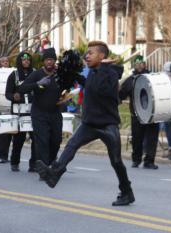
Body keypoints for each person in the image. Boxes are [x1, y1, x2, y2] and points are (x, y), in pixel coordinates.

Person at [35, 41, 135, 206]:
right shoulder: (95, 72)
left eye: (91, 53)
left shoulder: (110, 73)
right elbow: (89, 85)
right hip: (90, 123)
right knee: (72, 144)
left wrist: (102, 68)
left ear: (102, 56)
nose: (86, 56)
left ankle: (127, 192)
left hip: (107, 125)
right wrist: (71, 73)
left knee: (116, 161)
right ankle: (55, 174)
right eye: (86, 53)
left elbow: (100, 89)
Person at [18, 48, 74, 171]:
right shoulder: (37, 74)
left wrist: (66, 96)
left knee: (56, 140)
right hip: (39, 113)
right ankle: (44, 168)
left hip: (55, 112)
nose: (50, 62)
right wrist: (37, 84)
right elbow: (21, 89)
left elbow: (66, 88)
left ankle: (50, 161)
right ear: (43, 61)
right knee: (42, 141)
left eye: (52, 60)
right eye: (47, 60)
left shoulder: (59, 73)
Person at [119, 56, 160, 169]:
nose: (139, 65)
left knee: (152, 138)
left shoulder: (152, 78)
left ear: (145, 64)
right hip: (136, 114)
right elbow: (121, 95)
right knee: (137, 138)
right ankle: (136, 159)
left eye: (141, 63)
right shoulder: (131, 80)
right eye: (137, 64)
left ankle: (149, 161)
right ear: (134, 66)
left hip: (151, 113)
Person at [5, 52, 36, 172]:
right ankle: (14, 162)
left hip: (34, 110)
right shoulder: (14, 75)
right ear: (20, 61)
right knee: (19, 139)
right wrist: (14, 96)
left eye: (28, 59)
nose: (26, 61)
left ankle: (34, 164)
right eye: (24, 59)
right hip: (19, 111)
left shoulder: (35, 73)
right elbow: (7, 93)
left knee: (36, 139)